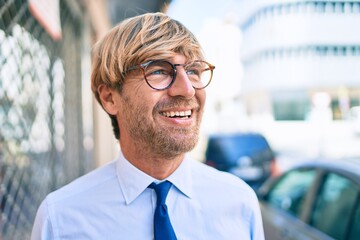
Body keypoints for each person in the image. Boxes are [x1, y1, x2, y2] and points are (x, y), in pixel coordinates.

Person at [31, 12, 264, 240]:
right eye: (159, 71)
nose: (187, 89)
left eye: (193, 71)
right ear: (110, 98)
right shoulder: (60, 219)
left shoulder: (239, 202)